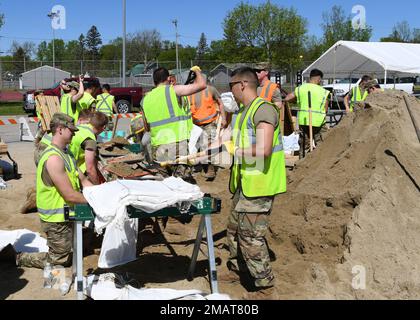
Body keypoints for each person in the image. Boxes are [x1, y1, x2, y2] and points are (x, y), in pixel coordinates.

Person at [220, 67, 286, 299]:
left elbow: (264, 150)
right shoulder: (243, 111)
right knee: (234, 230)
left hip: (260, 185)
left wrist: (234, 151)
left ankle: (265, 286)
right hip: (244, 184)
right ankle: (239, 271)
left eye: (230, 86)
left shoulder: (263, 110)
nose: (229, 91)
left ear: (242, 85)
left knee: (250, 237)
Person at [14, 113, 93, 269]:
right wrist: (95, 200)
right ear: (60, 129)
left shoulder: (67, 153)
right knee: (60, 259)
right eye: (71, 130)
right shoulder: (53, 158)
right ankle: (20, 257)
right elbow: (69, 194)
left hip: (67, 212)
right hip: (55, 218)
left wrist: (100, 192)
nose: (74, 133)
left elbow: (83, 179)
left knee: (82, 243)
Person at [141, 66, 206, 180]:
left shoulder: (146, 99)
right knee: (182, 182)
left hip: (158, 146)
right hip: (177, 145)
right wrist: (197, 71)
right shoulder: (173, 90)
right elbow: (202, 85)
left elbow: (146, 127)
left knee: (164, 184)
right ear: (168, 78)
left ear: (154, 81)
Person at [284, 69, 330, 156]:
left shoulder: (301, 88)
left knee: (304, 145)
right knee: (321, 144)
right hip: (319, 122)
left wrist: (297, 101)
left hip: (304, 121)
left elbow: (287, 98)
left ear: (310, 77)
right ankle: (319, 163)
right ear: (319, 79)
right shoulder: (323, 91)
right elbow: (325, 108)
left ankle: (302, 165)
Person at [188, 81, 227, 179]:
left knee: (208, 145)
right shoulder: (189, 91)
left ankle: (210, 170)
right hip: (194, 124)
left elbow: (220, 103)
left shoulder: (210, 89)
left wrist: (224, 118)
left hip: (209, 123)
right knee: (195, 146)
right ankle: (198, 165)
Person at [69, 112, 108, 185]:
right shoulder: (90, 138)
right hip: (68, 169)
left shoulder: (81, 127)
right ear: (104, 127)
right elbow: (90, 169)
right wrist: (98, 187)